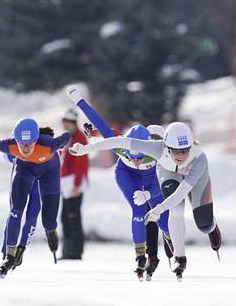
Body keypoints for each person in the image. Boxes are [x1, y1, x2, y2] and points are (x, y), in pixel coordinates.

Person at [69, 121, 221, 281]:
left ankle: (211, 226)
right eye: (175, 151)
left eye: (185, 151)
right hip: (170, 172)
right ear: (165, 145)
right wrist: (87, 149)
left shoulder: (199, 158)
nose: (180, 156)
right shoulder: (155, 148)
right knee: (174, 211)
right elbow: (118, 140)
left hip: (195, 176)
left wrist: (157, 207)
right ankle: (179, 258)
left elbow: (182, 192)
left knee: (203, 222)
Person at [67, 87, 174, 280]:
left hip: (152, 179)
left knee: (162, 217)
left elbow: (167, 182)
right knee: (139, 210)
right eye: (131, 155)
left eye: (140, 157)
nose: (135, 160)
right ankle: (140, 256)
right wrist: (79, 100)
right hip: (127, 175)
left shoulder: (158, 150)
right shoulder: (119, 143)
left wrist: (150, 194)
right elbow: (98, 121)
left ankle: (168, 236)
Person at [0, 118, 71, 277]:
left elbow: (67, 136)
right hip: (25, 169)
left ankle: (51, 231)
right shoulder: (9, 145)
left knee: (48, 221)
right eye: (21, 144)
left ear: (36, 140)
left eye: (30, 144)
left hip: (49, 171)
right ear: (16, 140)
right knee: (16, 211)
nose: (25, 149)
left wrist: (74, 144)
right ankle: (9, 256)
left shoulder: (49, 144)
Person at [58, 109, 89, 260]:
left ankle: (74, 252)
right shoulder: (69, 137)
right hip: (67, 183)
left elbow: (80, 164)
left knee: (73, 217)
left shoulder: (79, 139)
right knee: (66, 217)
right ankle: (69, 251)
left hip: (74, 184)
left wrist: (77, 184)